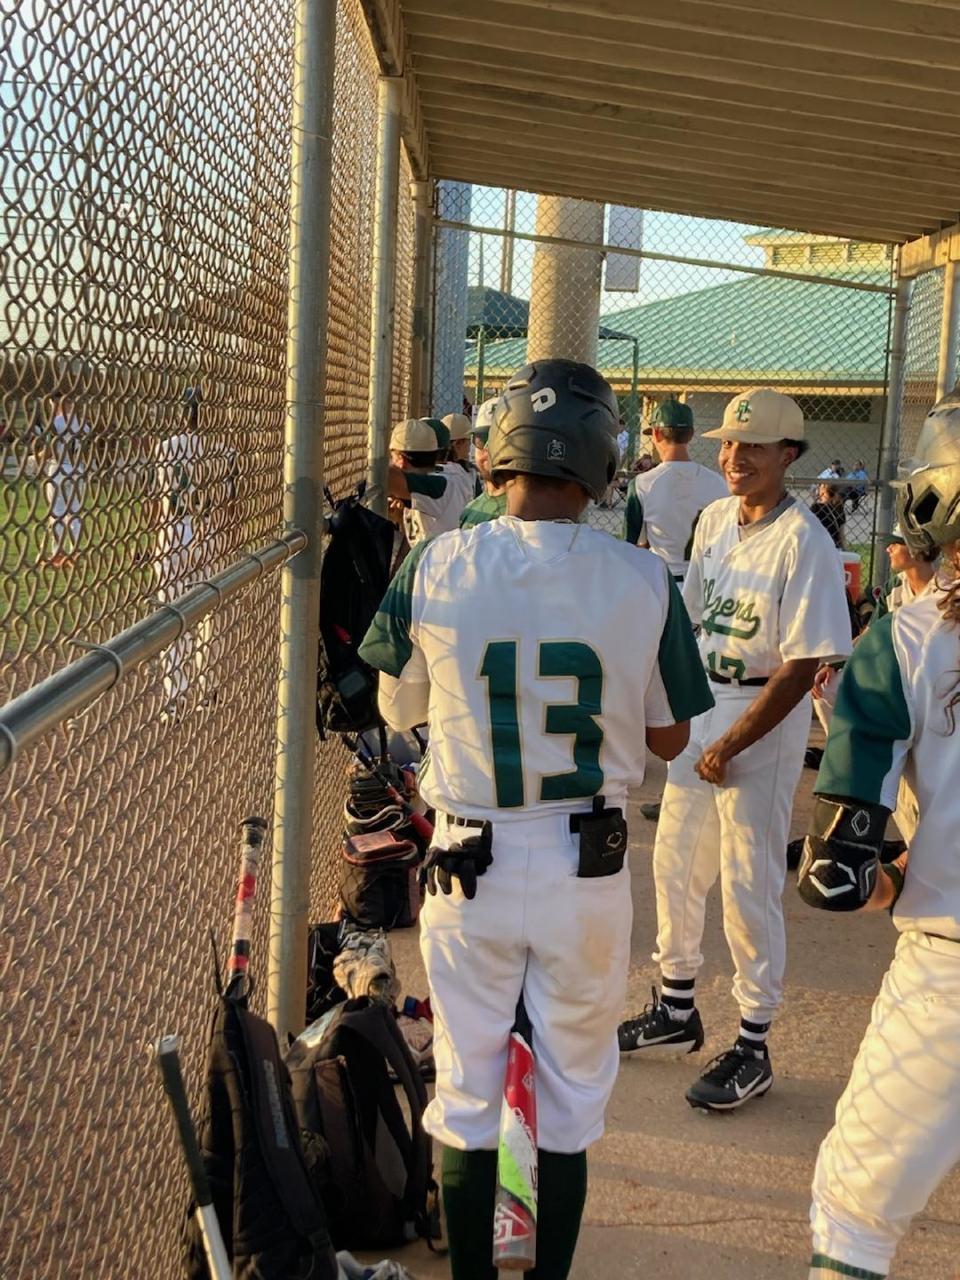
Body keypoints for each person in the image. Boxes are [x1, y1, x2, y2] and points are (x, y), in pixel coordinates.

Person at [359, 359, 712, 1280]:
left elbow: (398, 708)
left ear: (500, 451)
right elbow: (672, 738)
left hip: (464, 861)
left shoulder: (440, 559)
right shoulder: (642, 575)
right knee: (567, 1101)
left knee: (469, 1092)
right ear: (600, 463)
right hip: (584, 873)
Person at [618, 387, 852, 1111]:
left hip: (761, 712)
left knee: (747, 884)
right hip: (702, 701)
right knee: (675, 863)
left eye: (753, 447)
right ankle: (677, 1006)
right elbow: (687, 625)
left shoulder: (804, 539)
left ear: (788, 456)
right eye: (728, 444)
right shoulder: (715, 517)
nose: (734, 457)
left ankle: (753, 1041)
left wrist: (734, 741)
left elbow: (804, 663)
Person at [798, 386, 960, 1280]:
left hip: (951, 961)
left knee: (855, 1212)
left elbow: (837, 874)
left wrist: (897, 875)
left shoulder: (909, 637)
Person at [624, 398, 726, 822]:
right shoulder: (718, 481)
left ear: (657, 434)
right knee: (704, 688)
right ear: (690, 434)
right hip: (709, 587)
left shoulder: (644, 483)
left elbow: (634, 547)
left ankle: (677, 792)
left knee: (666, 689)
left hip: (662, 587)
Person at [153, 386, 218, 709]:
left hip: (172, 535)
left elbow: (158, 500)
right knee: (208, 617)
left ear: (181, 414)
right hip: (208, 533)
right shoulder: (223, 450)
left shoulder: (165, 448)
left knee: (172, 614)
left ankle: (176, 696)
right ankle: (207, 690)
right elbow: (230, 508)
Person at [387, 417, 474, 549]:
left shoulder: (440, 484)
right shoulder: (456, 473)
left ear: (401, 460)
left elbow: (387, 476)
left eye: (393, 458)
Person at [39, 392, 89, 566]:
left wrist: (39, 460)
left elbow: (49, 445)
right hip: (77, 469)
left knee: (57, 512)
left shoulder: (57, 422)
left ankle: (58, 553)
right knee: (74, 513)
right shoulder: (82, 423)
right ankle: (74, 552)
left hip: (58, 468)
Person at [458, 398, 506, 528]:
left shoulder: (524, 511)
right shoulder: (471, 509)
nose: (488, 450)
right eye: (481, 440)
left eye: (500, 441)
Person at [442, 412, 483, 498]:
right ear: (458, 444)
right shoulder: (469, 473)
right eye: (468, 441)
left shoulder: (428, 469)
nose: (469, 446)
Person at [810, 482, 847, 548]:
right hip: (834, 547)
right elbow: (842, 536)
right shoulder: (839, 509)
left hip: (819, 546)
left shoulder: (816, 508)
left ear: (822, 493)